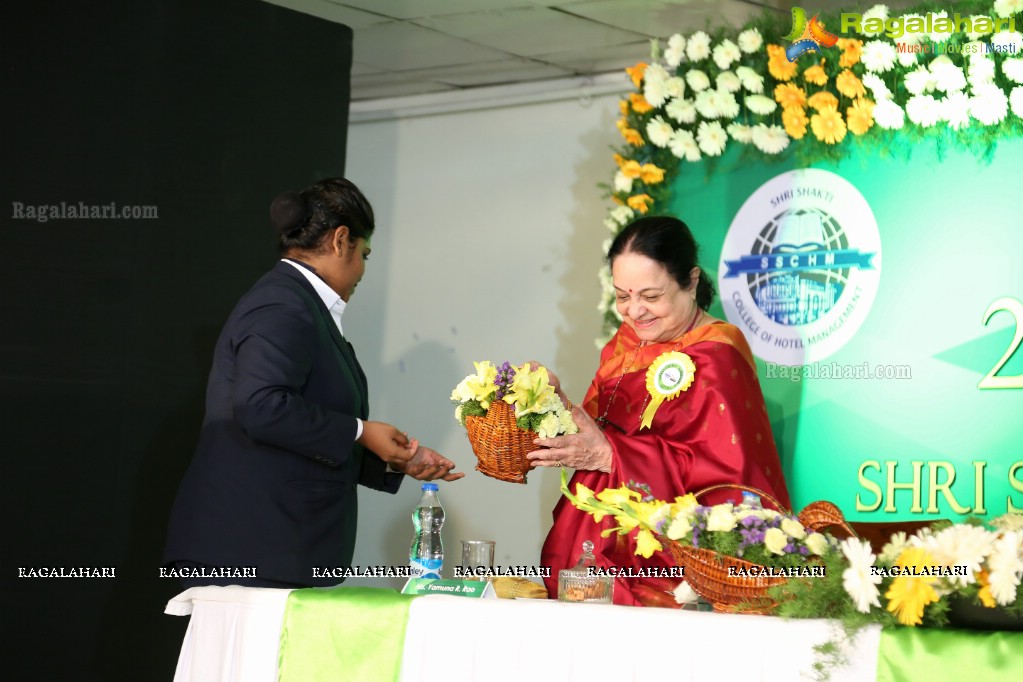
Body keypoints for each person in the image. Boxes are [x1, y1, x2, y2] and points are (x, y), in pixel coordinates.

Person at [164, 177, 463, 588]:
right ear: (341, 241)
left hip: (268, 546)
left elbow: (295, 429)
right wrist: (360, 431)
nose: (362, 270)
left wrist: (391, 459)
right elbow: (261, 407)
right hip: (252, 548)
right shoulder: (283, 304)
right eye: (364, 254)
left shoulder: (297, 303)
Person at [528, 216, 790, 606]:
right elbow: (597, 431)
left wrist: (610, 456)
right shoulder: (626, 344)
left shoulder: (718, 354)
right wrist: (547, 404)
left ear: (692, 281)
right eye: (622, 296)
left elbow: (728, 482)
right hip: (591, 551)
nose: (635, 312)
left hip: (672, 572)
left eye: (651, 297)